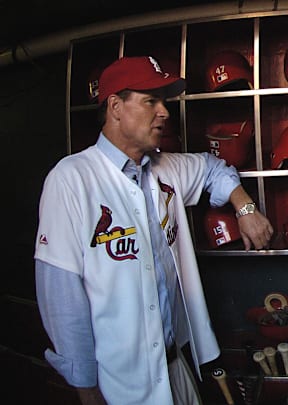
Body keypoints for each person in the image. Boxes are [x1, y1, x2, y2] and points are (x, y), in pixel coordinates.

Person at [34, 56, 274, 405]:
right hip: (117, 382)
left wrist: (245, 207)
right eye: (151, 101)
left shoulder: (166, 167)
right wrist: (86, 389)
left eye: (164, 101)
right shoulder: (71, 179)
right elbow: (61, 298)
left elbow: (213, 168)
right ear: (115, 106)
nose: (164, 112)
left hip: (177, 365)